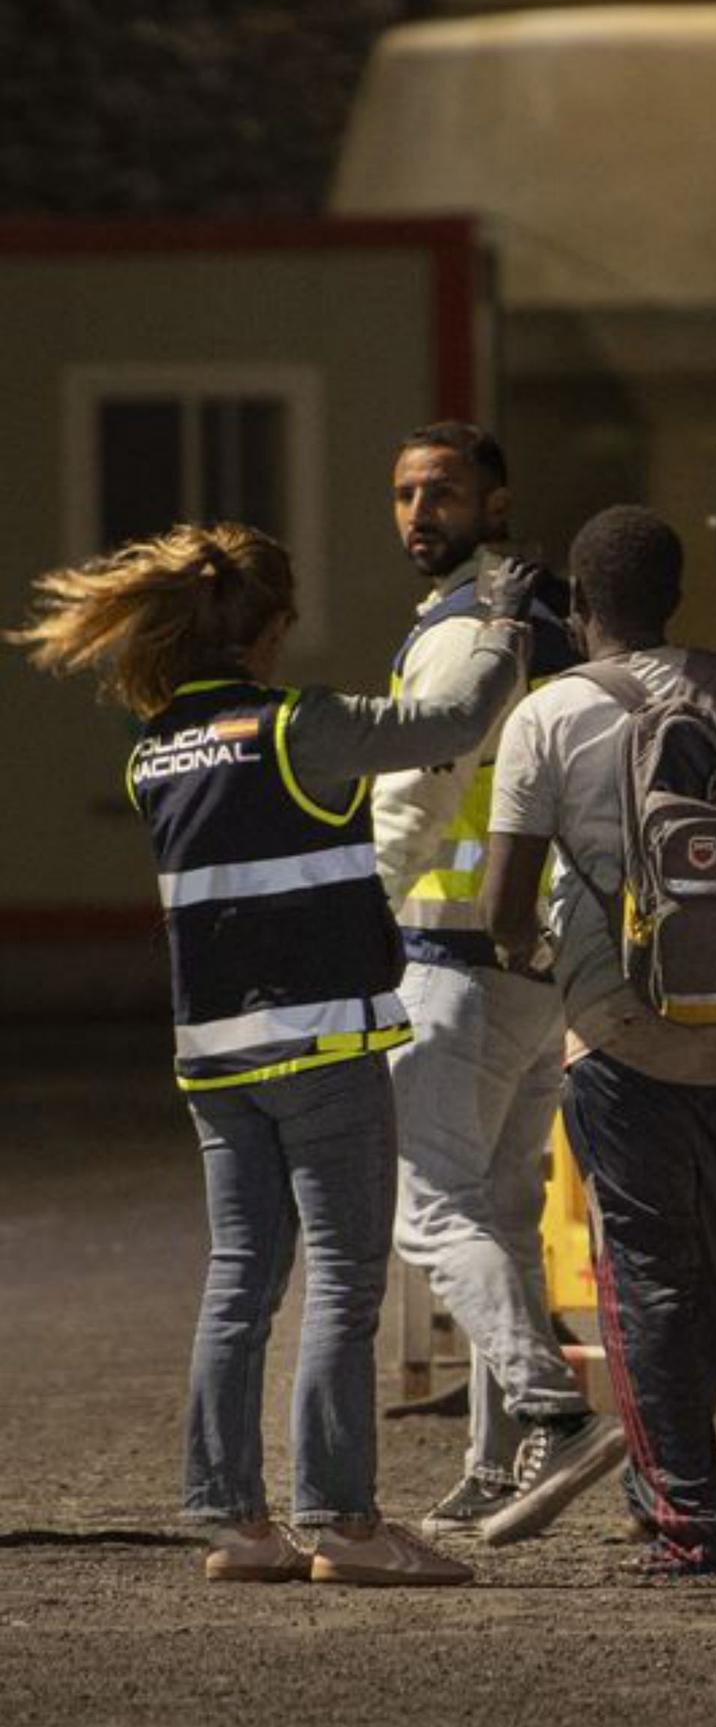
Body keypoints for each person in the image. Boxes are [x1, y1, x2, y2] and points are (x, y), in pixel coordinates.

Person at [7, 520, 536, 1588]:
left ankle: (233, 1521)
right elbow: (461, 715)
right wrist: (502, 620)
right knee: (344, 1276)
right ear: (272, 631)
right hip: (321, 1041)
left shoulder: (156, 748)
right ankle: (342, 1520)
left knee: (241, 1276)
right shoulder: (302, 726)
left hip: (212, 1055)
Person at [483, 505, 716, 1571]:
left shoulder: (546, 718)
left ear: (580, 607)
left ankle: (687, 1512)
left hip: (621, 1028)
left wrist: (545, 958)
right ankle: (659, 1482)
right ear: (676, 596)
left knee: (642, 1270)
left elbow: (505, 900)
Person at [374, 423, 620, 1540]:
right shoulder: (557, 619)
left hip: (448, 958)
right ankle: (492, 1465)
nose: (420, 511)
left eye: (443, 492)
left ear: (497, 502)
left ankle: (549, 1407)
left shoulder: (460, 630)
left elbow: (414, 800)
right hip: (542, 967)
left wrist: (359, 914)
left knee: (428, 1216)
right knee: (507, 1221)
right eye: (405, 494)